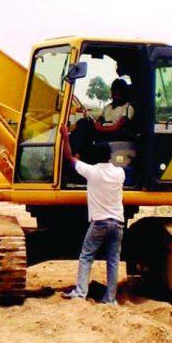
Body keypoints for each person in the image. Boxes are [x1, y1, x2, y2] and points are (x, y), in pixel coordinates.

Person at [58, 123, 125, 304]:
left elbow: (69, 157)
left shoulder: (92, 172)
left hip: (99, 223)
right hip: (118, 223)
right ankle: (110, 299)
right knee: (113, 262)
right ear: (110, 156)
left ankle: (80, 292)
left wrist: (65, 136)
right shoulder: (120, 173)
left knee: (87, 256)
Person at [69, 78, 135, 157]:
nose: (115, 94)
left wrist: (100, 128)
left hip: (114, 134)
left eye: (118, 91)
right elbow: (100, 120)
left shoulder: (127, 107)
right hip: (102, 131)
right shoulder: (108, 107)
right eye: (114, 91)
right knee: (84, 123)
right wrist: (96, 124)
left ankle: (77, 155)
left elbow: (117, 127)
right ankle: (76, 153)